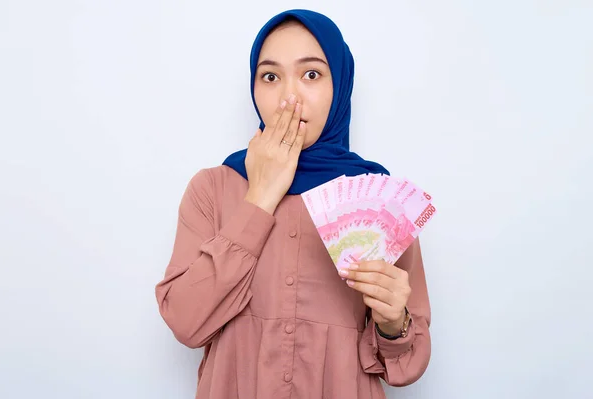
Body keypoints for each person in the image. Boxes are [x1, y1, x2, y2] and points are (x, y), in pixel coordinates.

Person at [155, 9, 431, 399]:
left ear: (340, 87)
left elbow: (406, 367)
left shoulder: (379, 200)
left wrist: (392, 322)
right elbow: (185, 322)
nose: (289, 96)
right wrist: (260, 197)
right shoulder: (212, 189)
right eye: (270, 76)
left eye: (312, 74)